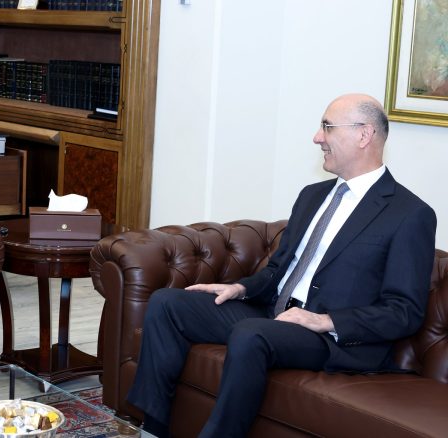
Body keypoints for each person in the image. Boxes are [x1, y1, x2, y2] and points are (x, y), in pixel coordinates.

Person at [127, 94, 436, 437]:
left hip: (328, 337)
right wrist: (241, 288)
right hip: (274, 314)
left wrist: (324, 320)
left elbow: (404, 311)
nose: (317, 138)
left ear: (364, 135)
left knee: (251, 334)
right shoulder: (312, 195)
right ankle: (153, 429)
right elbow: (279, 269)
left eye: (327, 127)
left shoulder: (409, 214)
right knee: (168, 303)